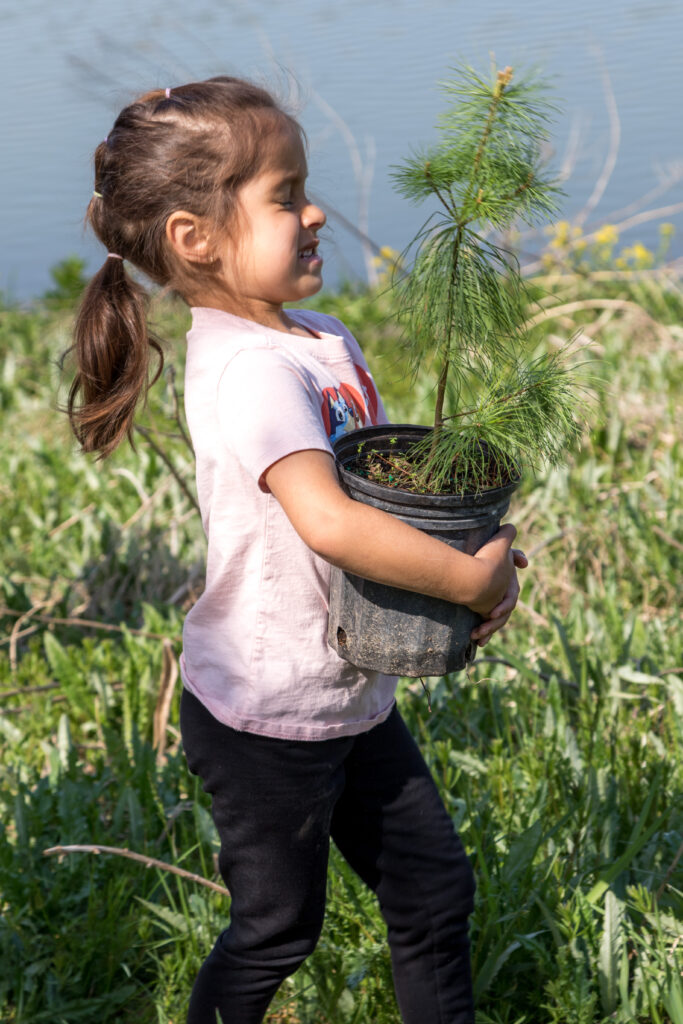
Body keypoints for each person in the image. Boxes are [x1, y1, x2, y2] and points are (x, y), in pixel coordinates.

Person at [67, 76, 528, 1024]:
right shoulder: (247, 371)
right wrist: (468, 587)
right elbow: (329, 521)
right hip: (264, 722)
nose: (314, 209)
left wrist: (473, 559)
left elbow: (386, 491)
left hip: (351, 696)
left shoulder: (318, 338)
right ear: (196, 239)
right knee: (277, 929)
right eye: (283, 196)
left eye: (303, 185)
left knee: (432, 892)